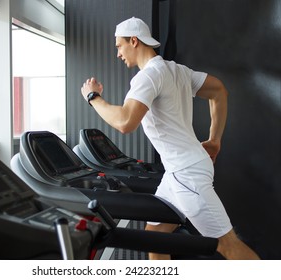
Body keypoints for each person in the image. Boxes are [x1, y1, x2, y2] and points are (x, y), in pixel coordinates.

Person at [80, 17, 259, 260]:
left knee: (226, 244)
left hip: (187, 174)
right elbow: (219, 91)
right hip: (178, 172)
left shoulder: (148, 77)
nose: (118, 54)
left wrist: (93, 97)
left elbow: (125, 121)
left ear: (134, 41)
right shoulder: (177, 70)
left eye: (119, 46)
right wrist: (214, 140)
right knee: (156, 238)